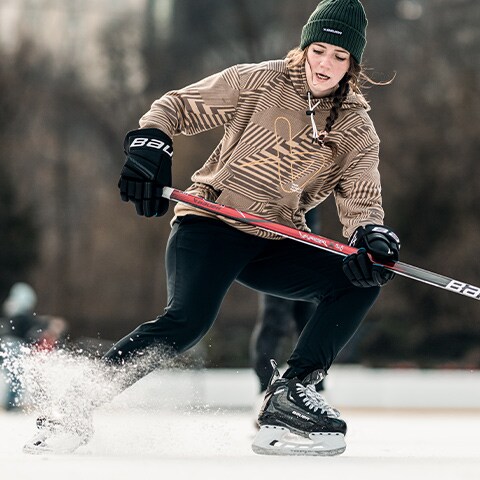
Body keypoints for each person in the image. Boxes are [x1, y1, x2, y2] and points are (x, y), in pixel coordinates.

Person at [24, 0, 401, 456]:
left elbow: (361, 199)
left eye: (339, 57)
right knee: (188, 321)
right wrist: (151, 143)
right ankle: (74, 405)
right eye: (319, 49)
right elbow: (177, 107)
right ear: (304, 48)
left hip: (274, 237)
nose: (326, 64)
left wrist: (369, 237)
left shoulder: (356, 129)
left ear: (352, 66)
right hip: (211, 224)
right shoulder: (259, 81)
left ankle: (289, 394)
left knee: (359, 282)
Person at [250, 209, 323, 395]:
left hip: (308, 252)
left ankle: (313, 387)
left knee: (310, 323)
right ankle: (265, 388)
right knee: (274, 320)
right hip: (277, 252)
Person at [0, 283, 67, 410]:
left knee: (15, 376)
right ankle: (12, 404)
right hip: (14, 347)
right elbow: (30, 328)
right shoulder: (21, 315)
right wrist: (48, 324)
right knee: (16, 377)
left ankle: (12, 403)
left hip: (8, 346)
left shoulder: (12, 313)